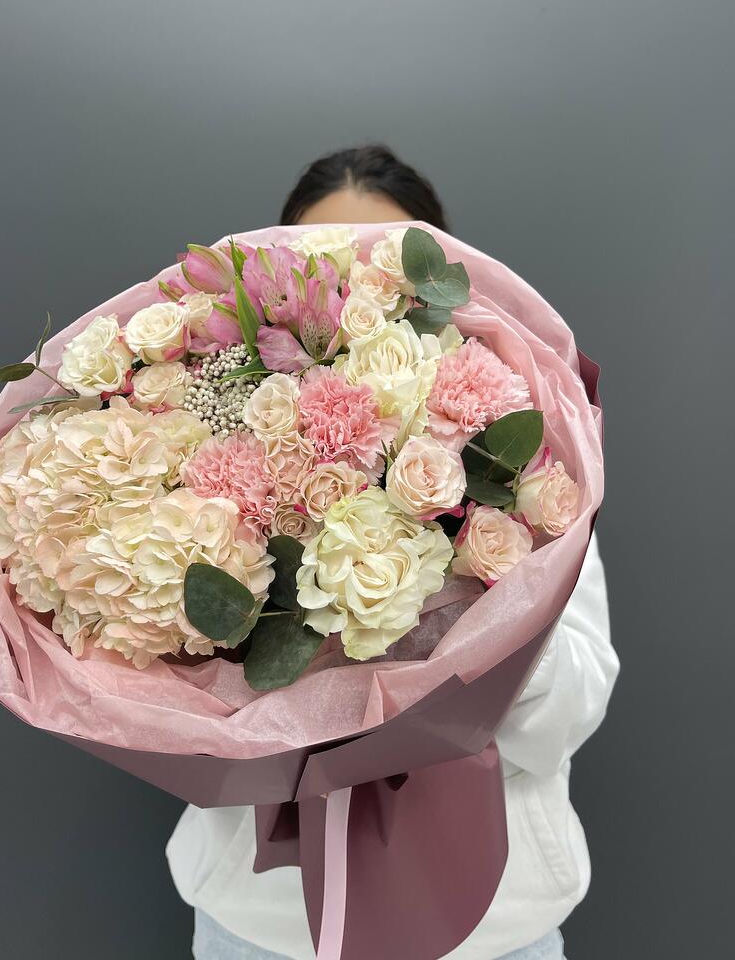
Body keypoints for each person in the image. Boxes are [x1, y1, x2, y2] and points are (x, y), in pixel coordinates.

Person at [167, 145, 619, 960]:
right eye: (321, 264)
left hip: (496, 931)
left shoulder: (525, 461)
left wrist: (478, 610)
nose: (352, 293)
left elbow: (571, 712)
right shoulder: (199, 457)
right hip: (261, 924)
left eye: (380, 264)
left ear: (440, 284)